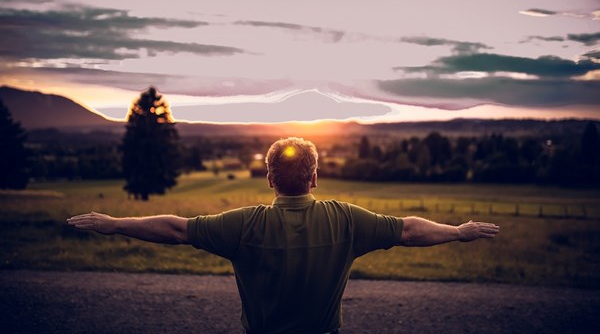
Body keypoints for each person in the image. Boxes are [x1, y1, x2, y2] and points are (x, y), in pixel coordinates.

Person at [68, 137, 499, 334]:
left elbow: (176, 229)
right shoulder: (346, 220)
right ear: (315, 178)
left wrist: (112, 223)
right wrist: (459, 232)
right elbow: (409, 230)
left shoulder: (243, 224)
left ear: (270, 179)